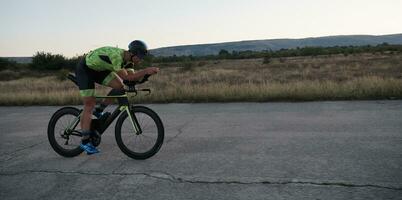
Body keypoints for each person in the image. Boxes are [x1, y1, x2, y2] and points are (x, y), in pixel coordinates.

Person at [75, 40, 159, 155]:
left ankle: (99, 110)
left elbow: (131, 79)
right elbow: (128, 78)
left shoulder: (129, 62)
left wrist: (146, 75)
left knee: (119, 87)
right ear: (132, 53)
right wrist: (146, 70)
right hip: (85, 69)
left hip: (100, 70)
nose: (141, 59)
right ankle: (85, 142)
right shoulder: (117, 57)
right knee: (89, 104)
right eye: (140, 57)